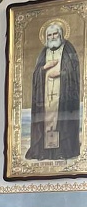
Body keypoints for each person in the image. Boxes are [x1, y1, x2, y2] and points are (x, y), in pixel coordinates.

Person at [25, 21, 81, 161]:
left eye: (55, 34)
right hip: (45, 97)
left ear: (61, 35)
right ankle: (44, 151)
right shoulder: (43, 53)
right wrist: (45, 68)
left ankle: (62, 150)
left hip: (62, 96)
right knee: (46, 121)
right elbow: (36, 74)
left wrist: (61, 73)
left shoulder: (68, 49)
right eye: (49, 35)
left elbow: (74, 72)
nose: (52, 37)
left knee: (61, 122)